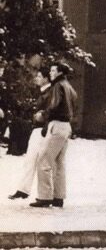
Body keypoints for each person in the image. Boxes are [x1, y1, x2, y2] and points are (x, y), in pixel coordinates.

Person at [30, 62, 77, 208]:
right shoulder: (68, 86)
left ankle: (44, 197)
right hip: (66, 126)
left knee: (43, 160)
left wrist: (43, 115)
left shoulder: (57, 86)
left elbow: (54, 105)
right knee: (59, 163)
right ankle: (59, 196)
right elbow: (74, 102)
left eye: (53, 70)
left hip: (56, 125)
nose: (50, 72)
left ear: (59, 72)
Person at [8, 67, 51, 200]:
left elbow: (49, 110)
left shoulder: (49, 93)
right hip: (38, 128)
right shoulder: (43, 92)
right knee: (31, 159)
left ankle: (39, 193)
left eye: (39, 76)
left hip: (42, 129)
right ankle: (23, 189)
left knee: (40, 161)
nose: (37, 78)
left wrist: (41, 118)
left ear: (46, 78)